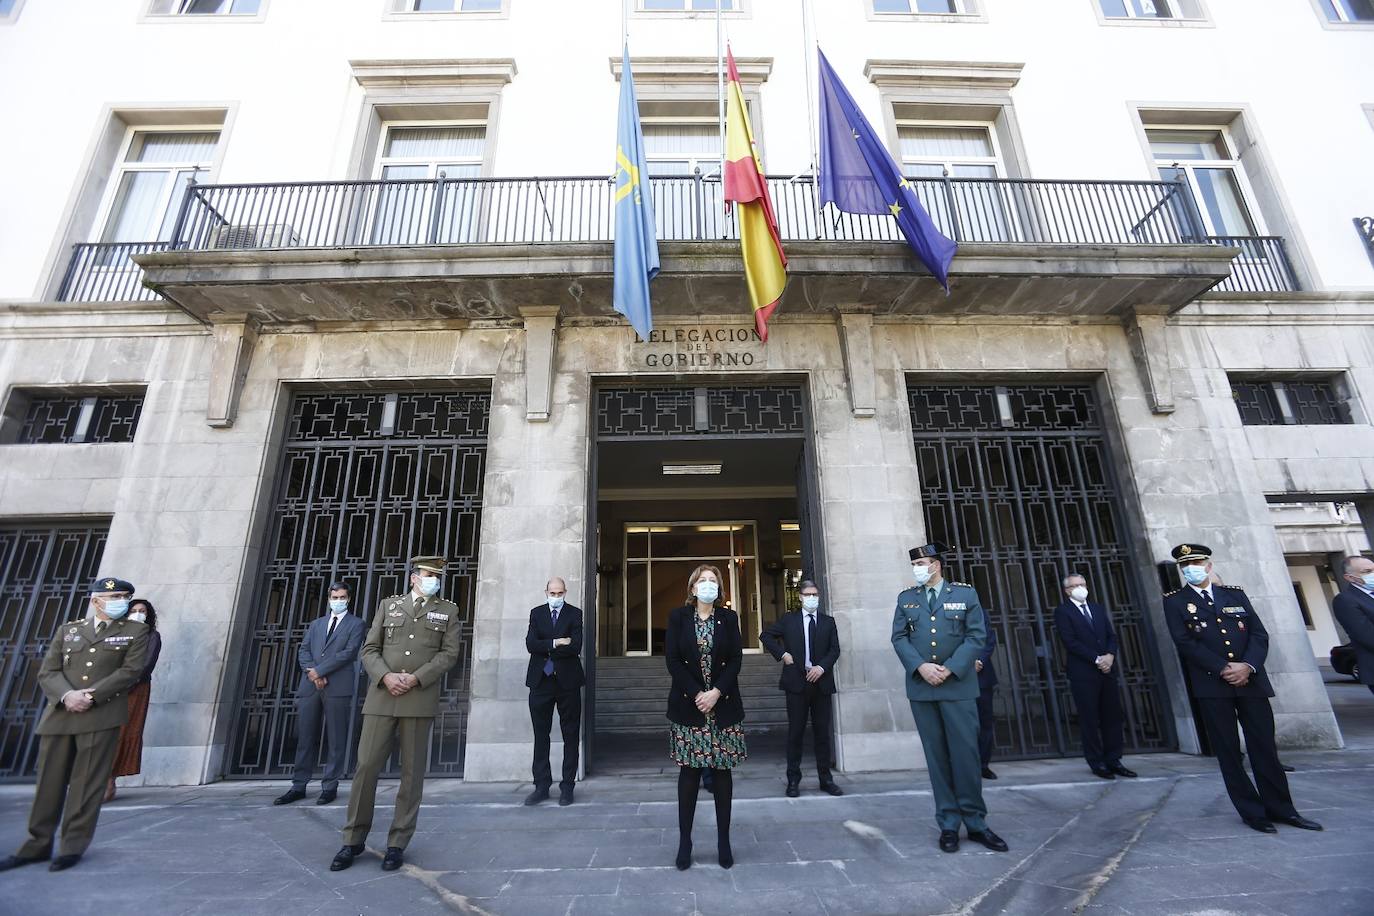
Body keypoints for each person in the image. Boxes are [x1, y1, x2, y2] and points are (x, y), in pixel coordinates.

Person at [1162, 543, 1322, 834]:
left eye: (1196, 563)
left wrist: (1247, 666)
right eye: (1185, 566)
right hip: (1213, 684)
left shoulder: (1233, 594)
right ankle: (1252, 812)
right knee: (1229, 752)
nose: (1191, 569)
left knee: (1264, 747)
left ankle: (1283, 809)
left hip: (1251, 681)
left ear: (1209, 566)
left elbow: (1259, 634)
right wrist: (1224, 668)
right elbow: (1185, 643)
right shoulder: (1175, 601)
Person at [0, 577, 149, 873]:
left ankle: (71, 846)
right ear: (95, 600)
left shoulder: (135, 632)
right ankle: (36, 845)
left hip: (101, 714)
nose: (121, 600)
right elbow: (49, 671)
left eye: (125, 596)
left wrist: (90, 697)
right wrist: (68, 695)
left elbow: (131, 671)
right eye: (115, 596)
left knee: (86, 785)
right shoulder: (69, 630)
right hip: (60, 713)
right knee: (48, 785)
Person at [331, 556, 462, 872]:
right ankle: (352, 839)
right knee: (366, 767)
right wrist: (386, 677)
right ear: (414, 578)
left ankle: (397, 842)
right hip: (382, 697)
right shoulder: (389, 606)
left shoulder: (448, 610)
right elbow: (369, 649)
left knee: (412, 774)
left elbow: (449, 653)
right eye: (429, 574)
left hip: (418, 698)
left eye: (437, 575)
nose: (434, 579)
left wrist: (417, 678)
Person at [892, 544, 1008, 854]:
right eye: (914, 562)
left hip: (957, 686)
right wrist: (921, 666)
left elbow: (976, 637)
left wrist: (951, 668)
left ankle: (976, 822)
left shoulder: (965, 595)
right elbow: (899, 637)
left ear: (937, 565)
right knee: (937, 759)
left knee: (966, 756)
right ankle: (948, 822)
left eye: (922, 562)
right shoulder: (907, 598)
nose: (917, 567)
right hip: (923, 687)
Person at [666, 565, 745, 871]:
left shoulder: (729, 618)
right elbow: (673, 660)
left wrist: (716, 693)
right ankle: (685, 841)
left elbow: (736, 659)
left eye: (713, 581)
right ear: (693, 587)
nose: (708, 585)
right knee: (689, 775)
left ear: (719, 588)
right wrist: (699, 693)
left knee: (722, 775)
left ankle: (723, 840)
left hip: (722, 707)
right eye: (703, 580)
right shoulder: (678, 617)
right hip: (690, 707)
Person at [275, 583, 365, 807]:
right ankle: (298, 785)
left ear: (349, 598)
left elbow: (349, 652)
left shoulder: (356, 624)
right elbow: (303, 650)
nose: (338, 600)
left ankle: (329, 786)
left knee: (336, 739)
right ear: (329, 598)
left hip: (337, 686)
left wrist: (320, 671)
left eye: (342, 597)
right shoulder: (316, 624)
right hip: (310, 685)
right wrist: (313, 673)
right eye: (335, 596)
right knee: (305, 737)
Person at [760, 579, 842, 797]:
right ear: (800, 597)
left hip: (821, 684)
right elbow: (765, 635)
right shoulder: (789, 620)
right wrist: (782, 654)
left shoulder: (828, 622)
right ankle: (793, 780)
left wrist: (822, 668)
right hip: (796, 683)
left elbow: (835, 650)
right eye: (808, 594)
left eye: (815, 594)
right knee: (795, 733)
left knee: (822, 734)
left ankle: (826, 779)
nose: (812, 598)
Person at [1052, 574, 1137, 780]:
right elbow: (1070, 641)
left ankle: (1114, 760)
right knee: (1090, 718)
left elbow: (1111, 636)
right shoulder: (1063, 611)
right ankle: (1096, 762)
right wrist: (1097, 659)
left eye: (1082, 584)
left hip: (1107, 670)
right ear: (1067, 591)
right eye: (1074, 586)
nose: (1079, 588)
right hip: (1084, 671)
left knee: (1112, 717)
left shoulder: (1097, 609)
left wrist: (1110, 655)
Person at [524, 577, 586, 806]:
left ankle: (567, 786)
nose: (556, 597)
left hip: (567, 681)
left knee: (570, 735)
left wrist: (548, 646)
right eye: (553, 593)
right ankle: (541, 785)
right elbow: (531, 644)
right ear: (546, 592)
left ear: (565, 592)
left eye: (560, 593)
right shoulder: (537, 613)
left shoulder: (574, 613)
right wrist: (557, 642)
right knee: (541, 735)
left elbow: (576, 646)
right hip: (541, 681)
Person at [105, 598, 163, 802]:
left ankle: (110, 778)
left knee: (125, 730)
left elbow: (147, 664)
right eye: (135, 610)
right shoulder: (116, 634)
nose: (138, 613)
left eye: (143, 611)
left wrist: (125, 683)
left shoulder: (151, 636)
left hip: (135, 689)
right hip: (109, 689)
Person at [1332, 554, 1374, 697]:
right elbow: (1367, 635)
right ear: (1350, 577)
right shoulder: (1345, 600)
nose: (1373, 574)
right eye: (1367, 572)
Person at [975, 623, 997, 780]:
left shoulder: (980, 611)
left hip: (982, 677)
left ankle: (983, 765)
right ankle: (967, 765)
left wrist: (979, 661)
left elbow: (988, 639)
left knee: (985, 723)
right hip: (957, 678)